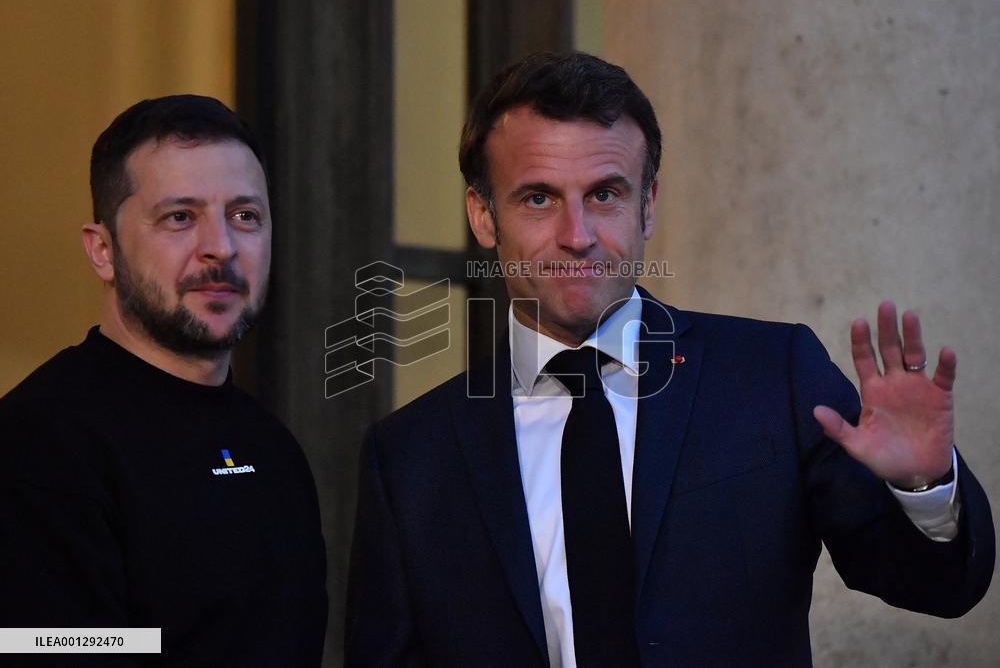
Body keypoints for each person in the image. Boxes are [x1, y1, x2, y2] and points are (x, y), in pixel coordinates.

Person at [344, 53, 994, 666]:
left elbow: (936, 586)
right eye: (539, 198)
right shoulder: (410, 460)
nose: (577, 236)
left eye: (605, 195)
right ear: (483, 216)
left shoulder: (771, 377)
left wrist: (923, 488)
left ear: (647, 205)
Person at [0, 95, 328, 665]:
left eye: (245, 216)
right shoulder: (38, 445)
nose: (220, 247)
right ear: (103, 250)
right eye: (180, 217)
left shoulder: (273, 450)